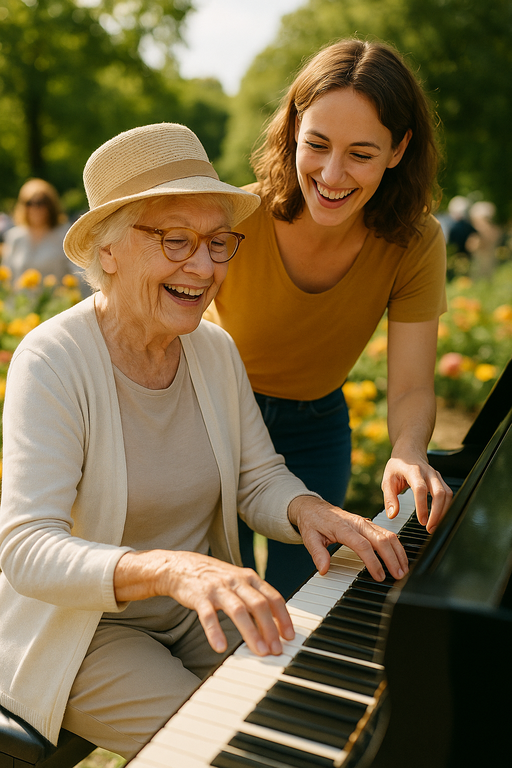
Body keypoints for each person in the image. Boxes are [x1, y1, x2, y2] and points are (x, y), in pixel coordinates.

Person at [0, 123, 409, 760]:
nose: (205, 267)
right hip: (83, 635)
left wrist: (311, 510)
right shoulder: (51, 359)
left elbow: (256, 476)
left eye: (219, 244)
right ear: (108, 250)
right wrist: (170, 568)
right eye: (176, 240)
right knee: (240, 752)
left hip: (198, 613)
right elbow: (26, 547)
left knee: (313, 709)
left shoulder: (212, 348)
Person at [206, 38, 453, 599]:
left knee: (302, 601)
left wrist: (408, 449)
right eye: (316, 144)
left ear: (399, 149)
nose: (332, 174)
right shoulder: (234, 218)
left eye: (361, 154)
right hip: (216, 420)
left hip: (317, 431)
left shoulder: (415, 242)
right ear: (294, 128)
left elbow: (413, 385)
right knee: (223, 601)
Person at [2, 178, 74, 284]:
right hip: (20, 299)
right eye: (29, 203)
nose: (35, 208)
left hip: (55, 299)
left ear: (51, 206)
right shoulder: (14, 236)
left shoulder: (65, 234)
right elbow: (6, 275)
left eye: (41, 203)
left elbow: (76, 272)